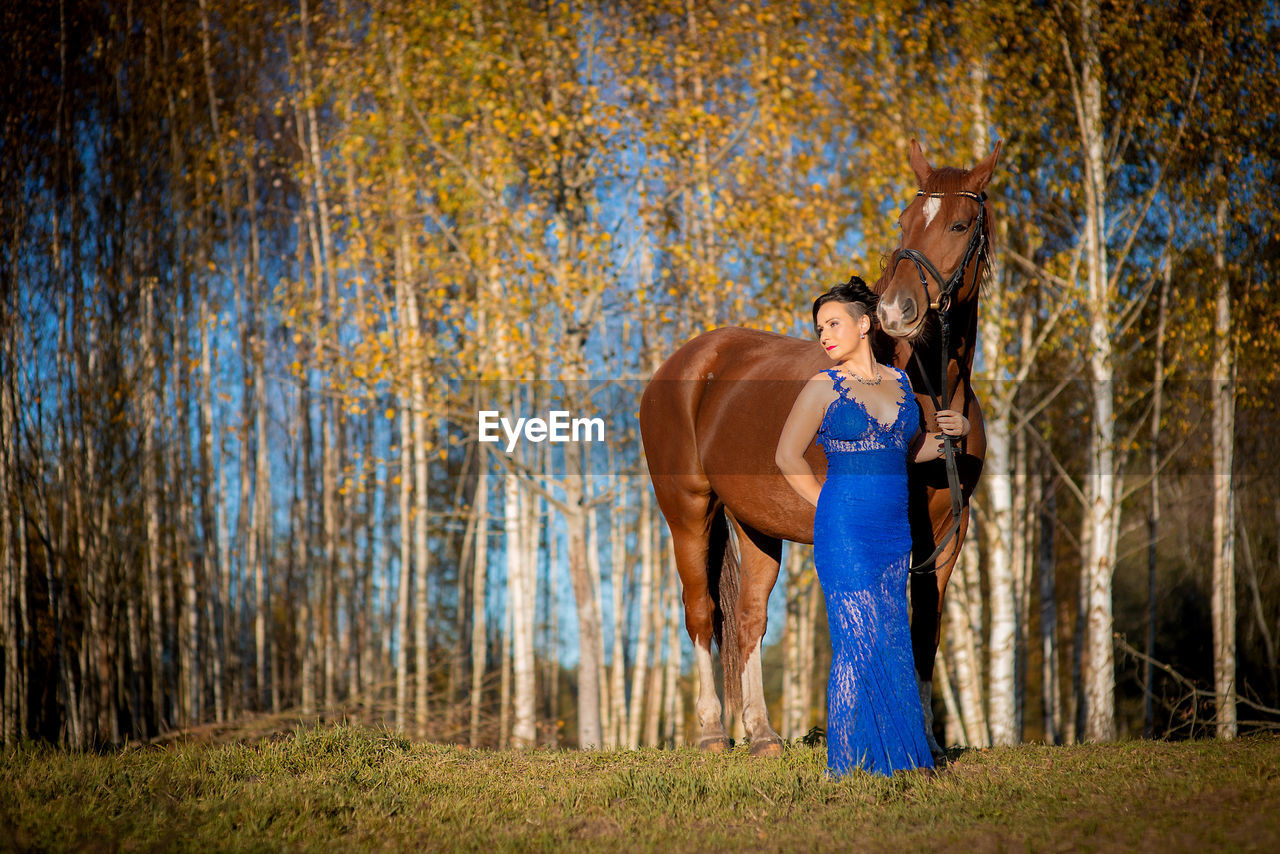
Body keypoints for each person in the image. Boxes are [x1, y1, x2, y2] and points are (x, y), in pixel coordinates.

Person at [774, 276, 969, 778]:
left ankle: (903, 757)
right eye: (819, 328)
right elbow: (785, 456)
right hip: (844, 529)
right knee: (856, 638)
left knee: (889, 637)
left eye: (833, 324)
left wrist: (953, 434)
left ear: (864, 325)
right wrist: (825, 507)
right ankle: (845, 766)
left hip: (892, 532)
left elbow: (909, 452)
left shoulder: (899, 384)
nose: (824, 335)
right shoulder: (823, 385)